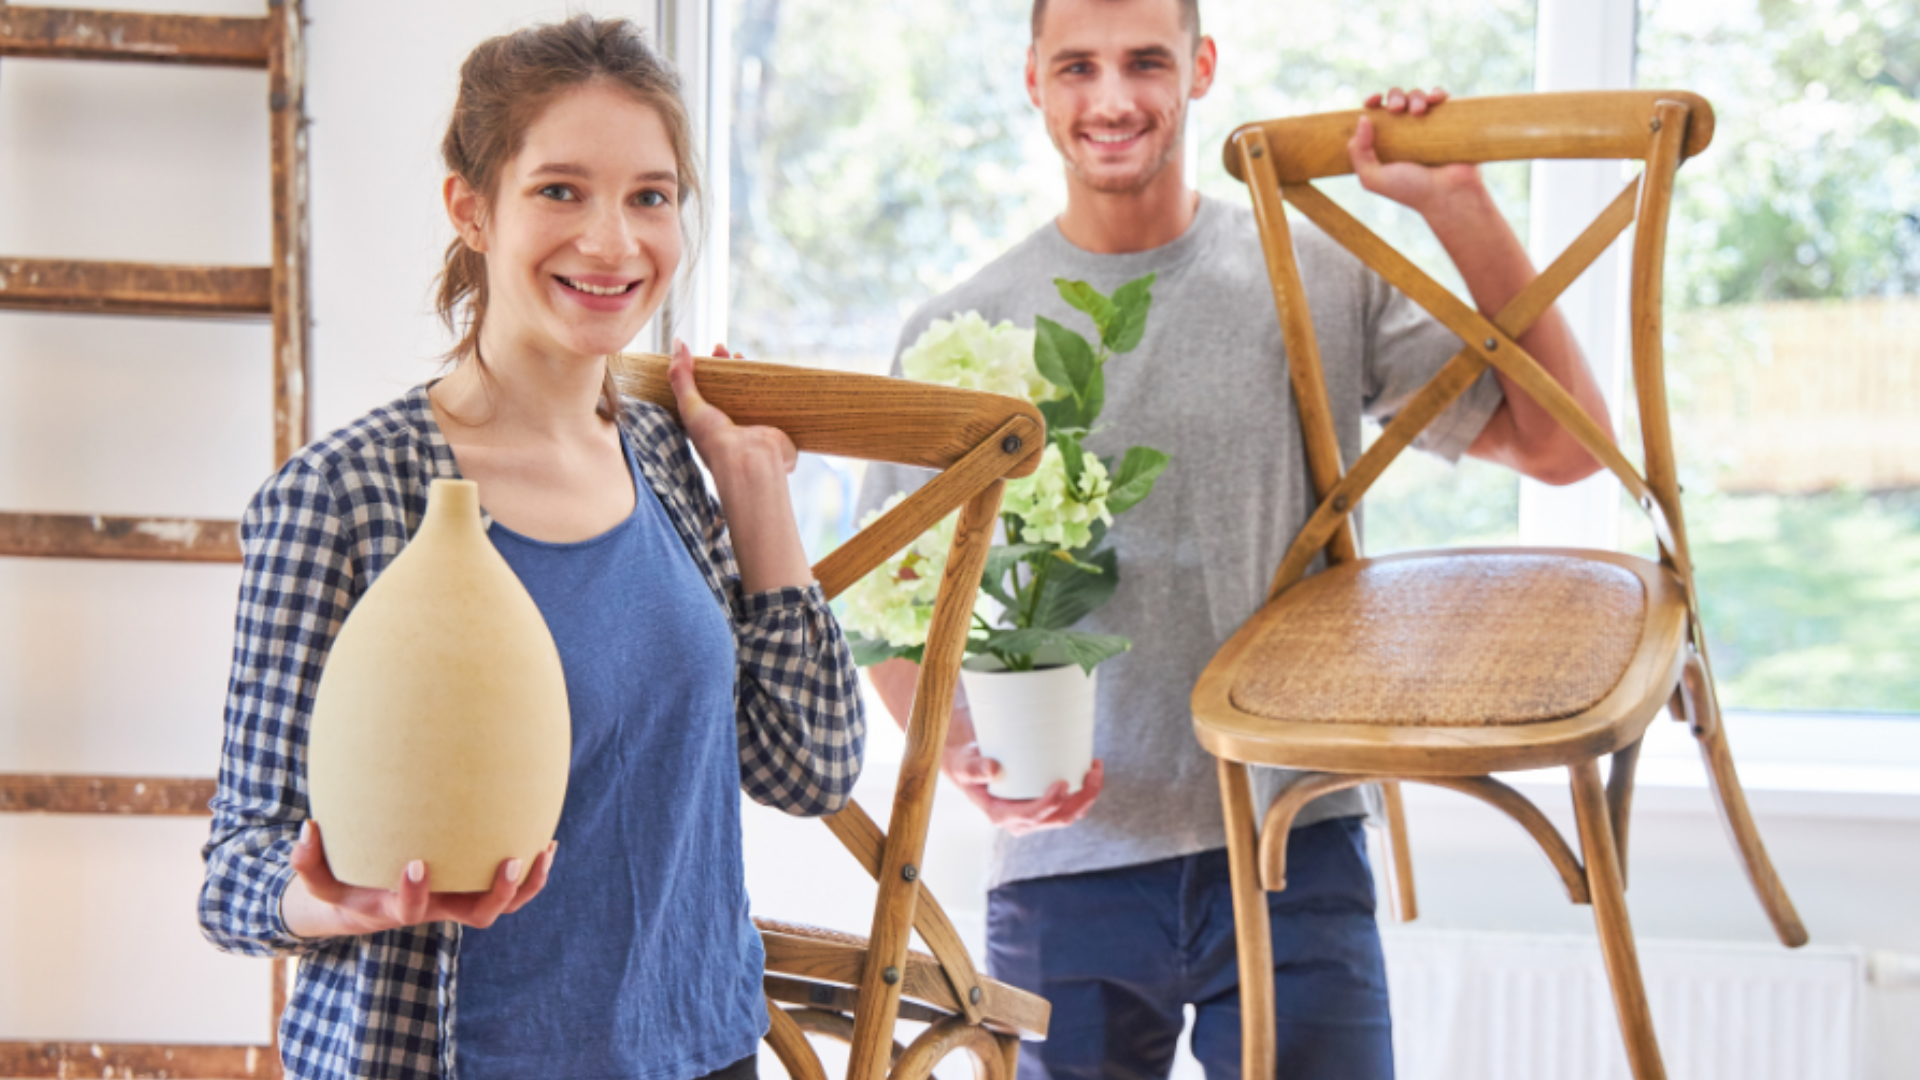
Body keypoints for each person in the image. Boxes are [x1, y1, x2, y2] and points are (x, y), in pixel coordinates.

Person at [856, 0, 1611, 1076]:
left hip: (1293, 839)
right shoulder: (961, 330)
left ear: (1202, 66)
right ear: (1033, 79)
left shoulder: (1313, 277)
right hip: (1067, 861)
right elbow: (885, 603)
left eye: (1146, 62)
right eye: (1078, 66)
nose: (1112, 98)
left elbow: (1561, 443)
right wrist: (965, 748)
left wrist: (1459, 205)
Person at [198, 16, 864, 1080]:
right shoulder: (342, 496)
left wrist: (754, 496)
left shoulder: (663, 455)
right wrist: (335, 896)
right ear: (471, 206)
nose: (613, 242)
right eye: (561, 190)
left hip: (702, 1053)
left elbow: (809, 765)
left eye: (650, 195)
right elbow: (234, 879)